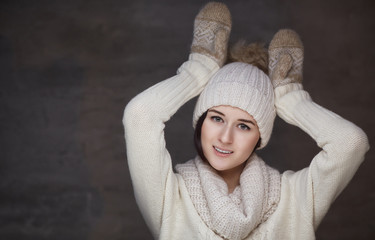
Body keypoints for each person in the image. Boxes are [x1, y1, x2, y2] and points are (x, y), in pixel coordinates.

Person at [123, 2, 369, 239]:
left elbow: (351, 143)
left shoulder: (294, 199)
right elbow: (140, 115)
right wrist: (199, 71)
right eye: (217, 118)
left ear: (259, 137)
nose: (225, 137)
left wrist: (290, 99)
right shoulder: (170, 197)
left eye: (244, 125)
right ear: (201, 122)